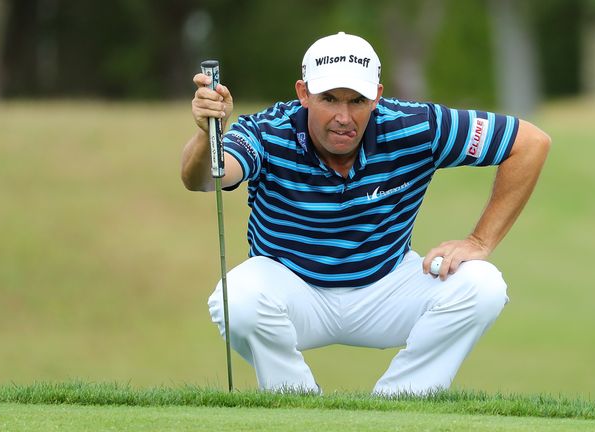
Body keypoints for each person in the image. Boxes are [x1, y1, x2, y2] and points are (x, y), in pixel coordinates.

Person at [181, 32, 550, 395]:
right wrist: (206, 136)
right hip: (292, 291)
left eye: (357, 100)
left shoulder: (417, 126)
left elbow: (530, 143)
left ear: (377, 97)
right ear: (303, 93)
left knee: (483, 285)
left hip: (385, 287)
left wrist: (479, 241)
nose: (344, 116)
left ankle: (400, 404)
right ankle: (294, 406)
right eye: (329, 99)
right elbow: (205, 178)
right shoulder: (266, 131)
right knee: (236, 299)